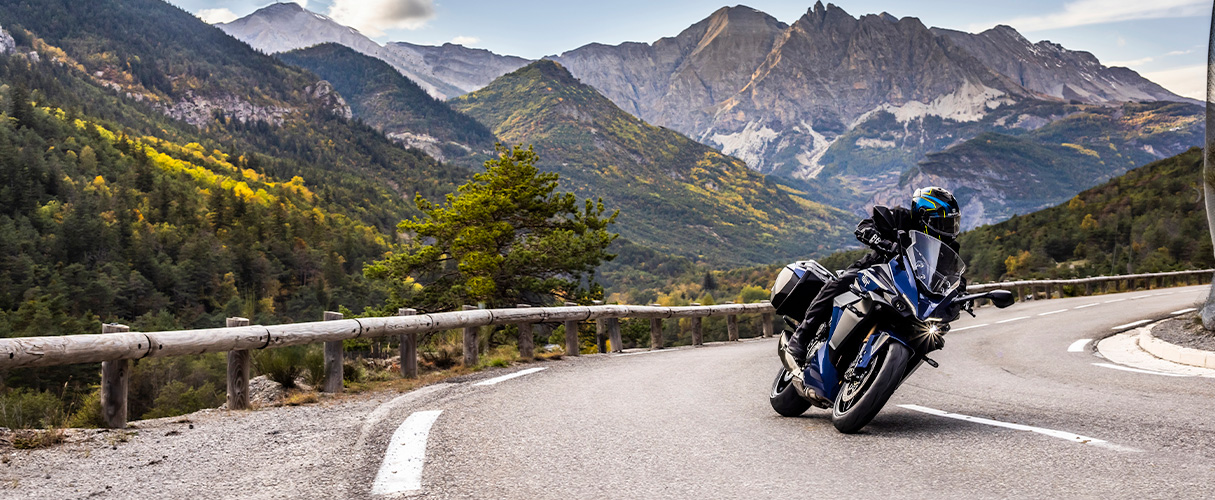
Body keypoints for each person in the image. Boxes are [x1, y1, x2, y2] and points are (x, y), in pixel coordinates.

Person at [786, 186, 963, 365]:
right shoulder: (901, 218)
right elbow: (866, 226)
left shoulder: (949, 247)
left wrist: (960, 293)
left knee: (930, 337)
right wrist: (876, 238)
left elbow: (956, 277)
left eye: (952, 223)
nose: (949, 230)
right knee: (841, 283)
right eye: (943, 223)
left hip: (910, 291)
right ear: (923, 215)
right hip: (874, 271)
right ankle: (801, 336)